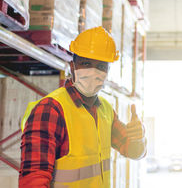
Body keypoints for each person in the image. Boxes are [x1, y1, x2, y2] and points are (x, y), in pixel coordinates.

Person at [19, 26, 147, 188]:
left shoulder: (105, 110)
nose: (93, 72)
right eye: (86, 63)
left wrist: (138, 137)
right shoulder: (51, 110)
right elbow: (33, 181)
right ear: (72, 67)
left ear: (107, 72)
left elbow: (134, 152)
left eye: (101, 66)